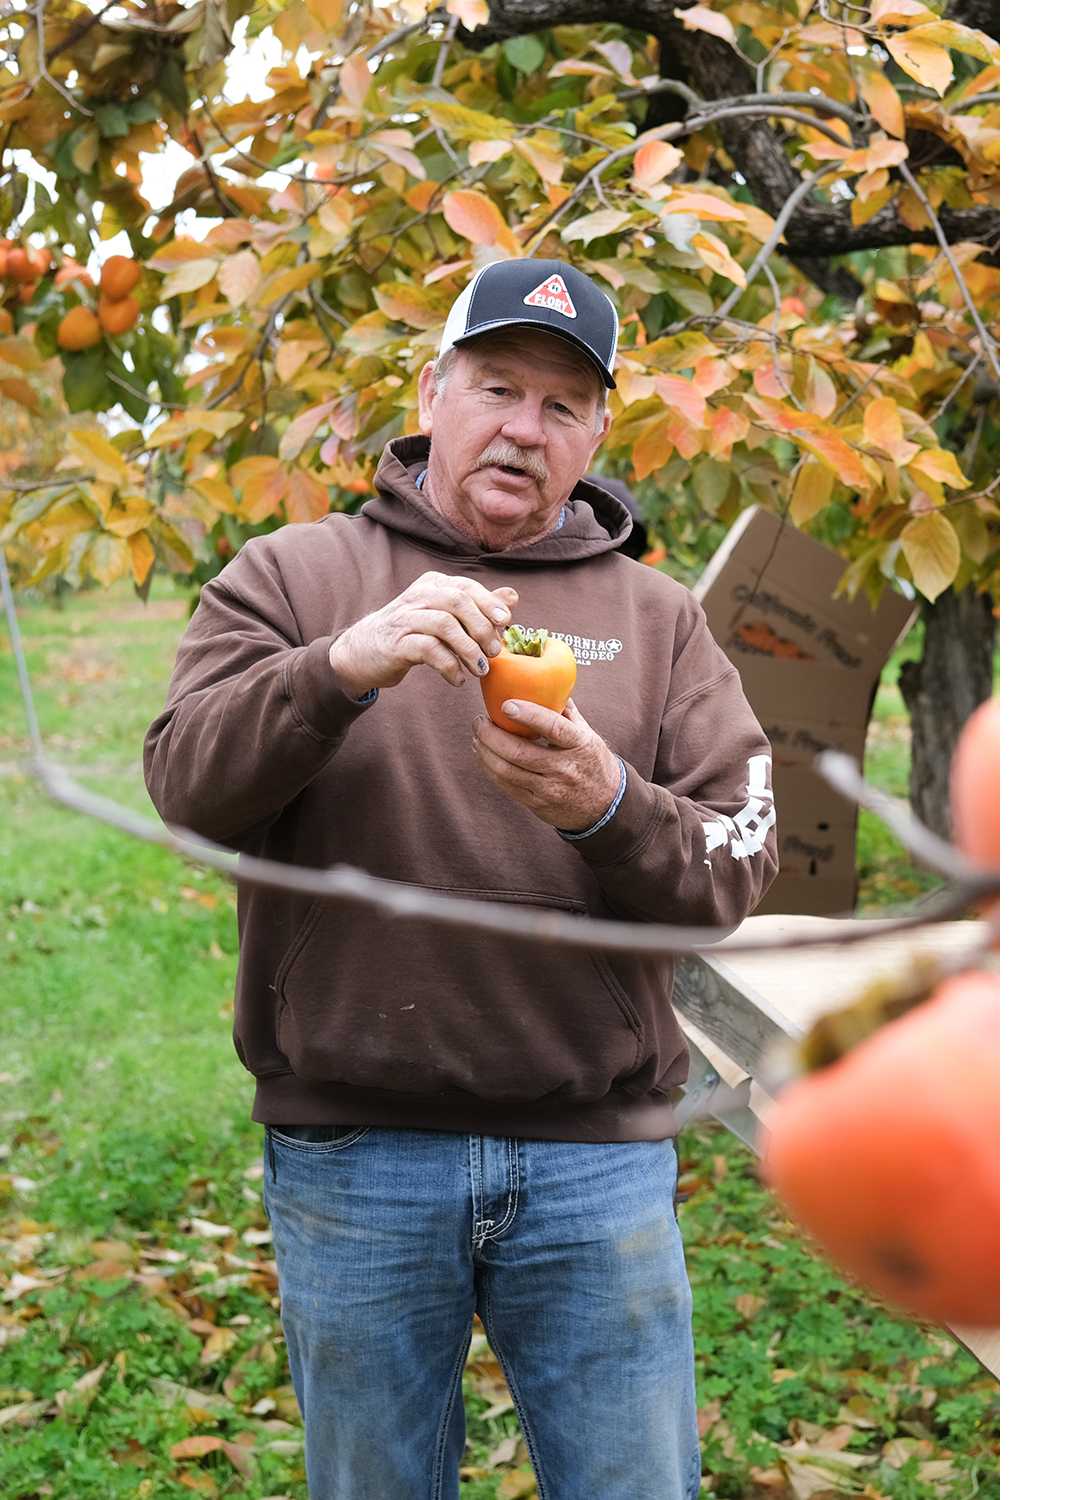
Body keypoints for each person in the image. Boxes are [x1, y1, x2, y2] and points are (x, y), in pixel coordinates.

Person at [144, 258, 778, 1500]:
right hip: (357, 1148)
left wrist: (606, 808)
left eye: (559, 406)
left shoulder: (656, 619)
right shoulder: (293, 576)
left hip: (594, 1162)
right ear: (432, 392)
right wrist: (335, 672)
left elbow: (740, 856)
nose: (521, 428)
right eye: (495, 388)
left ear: (595, 434)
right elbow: (183, 783)